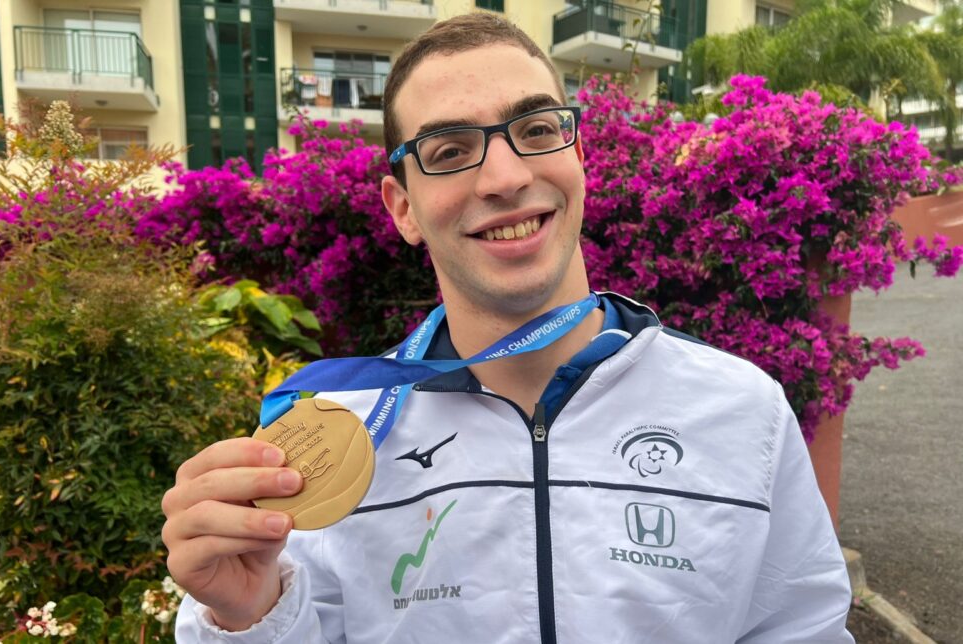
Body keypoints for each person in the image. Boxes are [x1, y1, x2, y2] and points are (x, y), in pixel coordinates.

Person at [163, 13, 854, 643]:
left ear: (577, 157)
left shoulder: (742, 411)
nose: (504, 176)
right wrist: (246, 618)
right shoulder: (332, 446)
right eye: (448, 149)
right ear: (403, 208)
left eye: (536, 130)